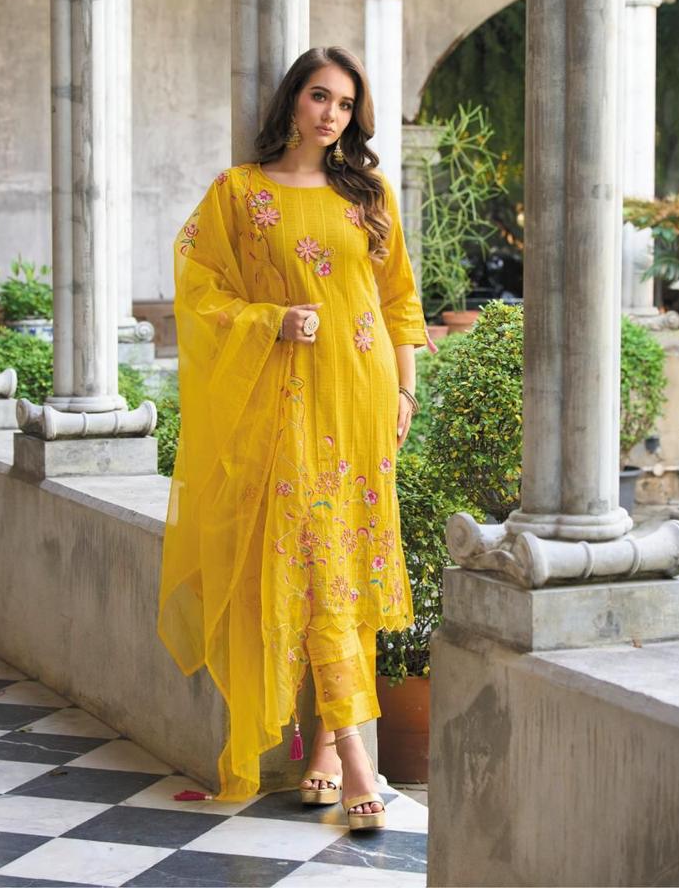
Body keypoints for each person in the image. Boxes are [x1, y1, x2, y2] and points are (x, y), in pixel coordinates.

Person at [157, 46, 426, 831]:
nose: (331, 114)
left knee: (344, 566)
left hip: (360, 403)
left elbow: (398, 298)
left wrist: (405, 389)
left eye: (344, 103)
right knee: (311, 561)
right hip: (280, 406)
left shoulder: (367, 193)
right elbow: (198, 288)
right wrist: (271, 320)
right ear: (293, 101)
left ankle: (324, 750)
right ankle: (358, 761)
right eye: (318, 96)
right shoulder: (239, 193)